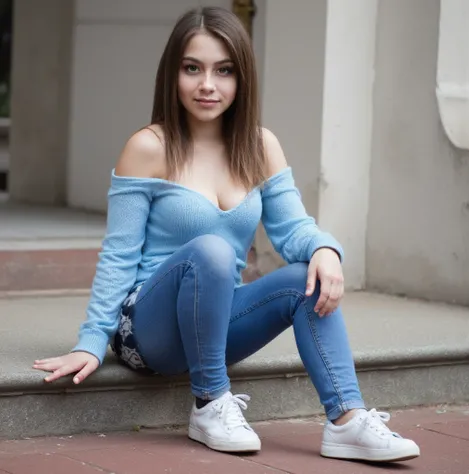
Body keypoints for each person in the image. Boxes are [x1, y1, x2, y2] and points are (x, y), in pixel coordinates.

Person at [33, 6, 420, 463]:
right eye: (192, 68)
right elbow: (119, 254)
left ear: (242, 79)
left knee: (304, 276)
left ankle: (347, 421)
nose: (207, 85)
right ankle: (210, 404)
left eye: (224, 70)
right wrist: (92, 341)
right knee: (213, 252)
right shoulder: (148, 147)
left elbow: (294, 228)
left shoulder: (260, 146)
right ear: (172, 74)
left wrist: (324, 249)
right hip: (146, 329)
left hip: (213, 326)